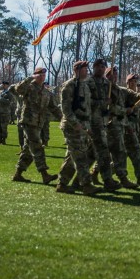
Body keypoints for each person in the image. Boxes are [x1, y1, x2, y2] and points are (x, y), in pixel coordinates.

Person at [56, 61, 102, 195]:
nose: (87, 71)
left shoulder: (85, 85)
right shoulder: (69, 86)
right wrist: (75, 123)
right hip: (72, 127)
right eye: (84, 69)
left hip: (83, 126)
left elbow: (87, 106)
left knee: (72, 157)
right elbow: (66, 109)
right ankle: (86, 185)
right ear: (77, 70)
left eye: (87, 69)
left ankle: (62, 184)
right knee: (80, 156)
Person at [11, 67, 62, 184]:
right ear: (35, 75)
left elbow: (53, 108)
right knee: (38, 147)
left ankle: (18, 174)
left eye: (44, 75)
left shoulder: (46, 92)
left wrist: (63, 118)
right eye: (39, 75)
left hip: (39, 123)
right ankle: (45, 175)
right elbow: (17, 89)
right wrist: (29, 78)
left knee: (28, 150)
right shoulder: (29, 87)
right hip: (28, 122)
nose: (42, 77)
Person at [86, 59, 121, 191]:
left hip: (102, 122)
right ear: (94, 68)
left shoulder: (107, 84)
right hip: (91, 122)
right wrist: (102, 102)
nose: (100, 69)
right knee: (102, 153)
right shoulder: (88, 83)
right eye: (98, 67)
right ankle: (107, 180)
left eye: (102, 67)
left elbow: (114, 101)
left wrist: (113, 88)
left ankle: (79, 181)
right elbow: (87, 101)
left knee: (91, 153)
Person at [104, 67, 140, 189]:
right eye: (111, 75)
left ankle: (121, 178)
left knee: (118, 152)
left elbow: (135, 96)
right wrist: (126, 110)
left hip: (119, 125)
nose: (114, 77)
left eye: (116, 75)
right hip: (108, 125)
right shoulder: (104, 89)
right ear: (107, 76)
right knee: (111, 153)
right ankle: (84, 179)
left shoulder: (120, 90)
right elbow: (111, 108)